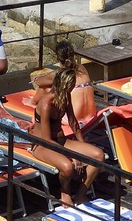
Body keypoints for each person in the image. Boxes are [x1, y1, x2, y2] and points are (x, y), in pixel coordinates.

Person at [28, 60, 104, 207]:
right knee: (68, 167)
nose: (74, 87)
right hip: (42, 145)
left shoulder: (65, 96)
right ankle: (65, 191)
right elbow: (47, 138)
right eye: (72, 85)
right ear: (64, 85)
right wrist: (72, 156)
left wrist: (82, 146)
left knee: (98, 156)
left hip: (61, 141)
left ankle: (81, 194)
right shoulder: (46, 104)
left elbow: (73, 123)